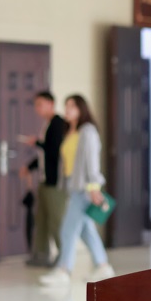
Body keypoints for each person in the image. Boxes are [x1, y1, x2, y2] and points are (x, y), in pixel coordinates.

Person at [39, 95, 115, 286]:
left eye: (72, 106)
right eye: (66, 106)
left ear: (82, 109)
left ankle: (64, 270)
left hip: (84, 188)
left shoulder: (88, 131)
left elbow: (92, 162)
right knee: (86, 230)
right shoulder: (70, 131)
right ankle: (103, 266)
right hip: (73, 186)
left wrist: (94, 187)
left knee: (67, 230)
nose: (68, 109)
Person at [19, 91, 68, 267]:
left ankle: (64, 258)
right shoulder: (47, 125)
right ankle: (41, 255)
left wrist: (37, 142)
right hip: (44, 181)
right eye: (36, 105)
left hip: (55, 183)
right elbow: (43, 155)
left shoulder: (58, 124)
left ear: (51, 104)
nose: (37, 109)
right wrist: (29, 166)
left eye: (40, 104)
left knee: (56, 221)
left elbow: (54, 151)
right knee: (41, 220)